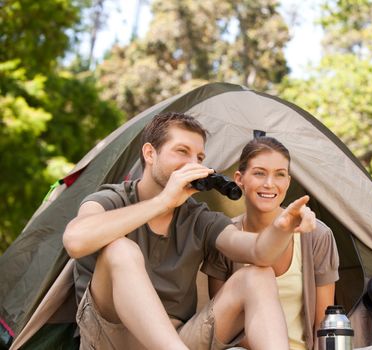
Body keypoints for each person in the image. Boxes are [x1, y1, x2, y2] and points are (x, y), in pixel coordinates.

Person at [62, 112, 317, 350]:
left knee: (257, 275)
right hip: (112, 338)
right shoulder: (111, 199)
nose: (193, 164)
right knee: (120, 249)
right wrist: (163, 202)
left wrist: (282, 228)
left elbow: (258, 251)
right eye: (182, 152)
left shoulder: (198, 217)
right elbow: (75, 240)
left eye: (199, 158)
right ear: (150, 154)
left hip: (180, 338)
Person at [203, 136, 340, 350]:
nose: (269, 184)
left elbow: (324, 324)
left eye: (280, 175)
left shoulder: (316, 234)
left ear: (288, 182)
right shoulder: (224, 235)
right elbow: (224, 326)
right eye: (259, 173)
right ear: (239, 179)